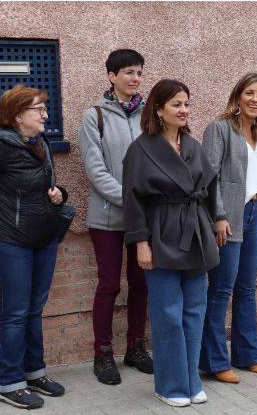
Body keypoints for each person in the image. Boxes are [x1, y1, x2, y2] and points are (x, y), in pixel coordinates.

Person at [0, 85, 67, 410]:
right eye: (38, 109)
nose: (45, 115)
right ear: (16, 115)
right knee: (14, 312)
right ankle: (10, 383)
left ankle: (34, 372)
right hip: (10, 240)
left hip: (43, 237)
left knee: (34, 309)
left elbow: (46, 184)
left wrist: (59, 194)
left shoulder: (41, 143)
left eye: (44, 109)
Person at [123, 78, 221, 407]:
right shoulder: (140, 149)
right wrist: (141, 243)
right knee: (168, 314)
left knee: (195, 311)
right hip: (161, 233)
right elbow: (133, 200)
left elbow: (209, 189)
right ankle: (169, 385)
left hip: (195, 234)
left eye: (186, 103)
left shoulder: (192, 145)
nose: (183, 110)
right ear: (159, 109)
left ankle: (191, 380)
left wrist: (214, 222)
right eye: (176, 104)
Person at [76, 49, 151, 385]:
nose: (135, 79)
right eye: (128, 72)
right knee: (108, 285)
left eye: (139, 72)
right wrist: (129, 199)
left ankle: (136, 347)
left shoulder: (150, 114)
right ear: (111, 76)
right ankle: (102, 353)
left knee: (141, 284)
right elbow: (96, 170)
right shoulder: (95, 116)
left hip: (143, 217)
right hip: (107, 217)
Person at [199, 73, 257, 380]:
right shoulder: (219, 129)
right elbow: (208, 177)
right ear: (238, 96)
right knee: (220, 290)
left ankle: (247, 355)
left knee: (247, 290)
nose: (255, 99)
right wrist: (218, 215)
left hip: (254, 213)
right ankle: (216, 362)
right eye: (249, 93)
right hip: (228, 217)